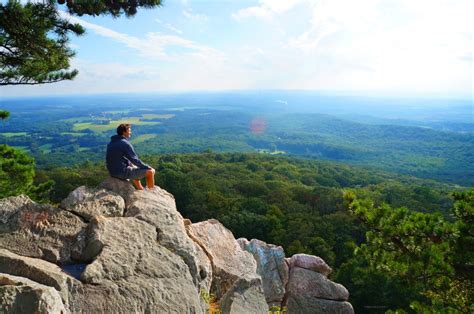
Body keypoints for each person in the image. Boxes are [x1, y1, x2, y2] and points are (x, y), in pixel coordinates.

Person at [106, 123, 155, 190]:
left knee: (133, 166)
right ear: (124, 132)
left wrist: (132, 165)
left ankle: (140, 189)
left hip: (113, 172)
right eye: (129, 130)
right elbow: (135, 160)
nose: (130, 132)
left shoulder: (111, 142)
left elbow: (120, 158)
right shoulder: (124, 143)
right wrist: (147, 167)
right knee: (151, 172)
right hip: (121, 172)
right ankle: (151, 192)